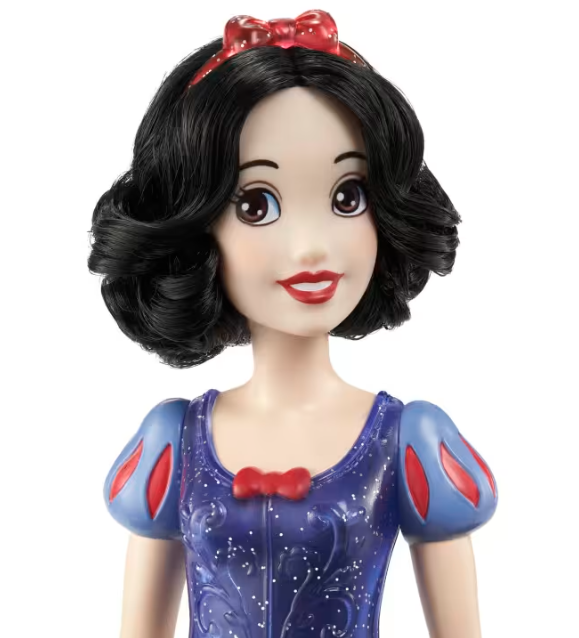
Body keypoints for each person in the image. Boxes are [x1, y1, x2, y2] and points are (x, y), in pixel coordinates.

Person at [88, 10, 497, 638]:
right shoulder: (175, 442)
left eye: (347, 197)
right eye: (257, 204)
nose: (310, 246)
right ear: (195, 228)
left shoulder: (406, 440)